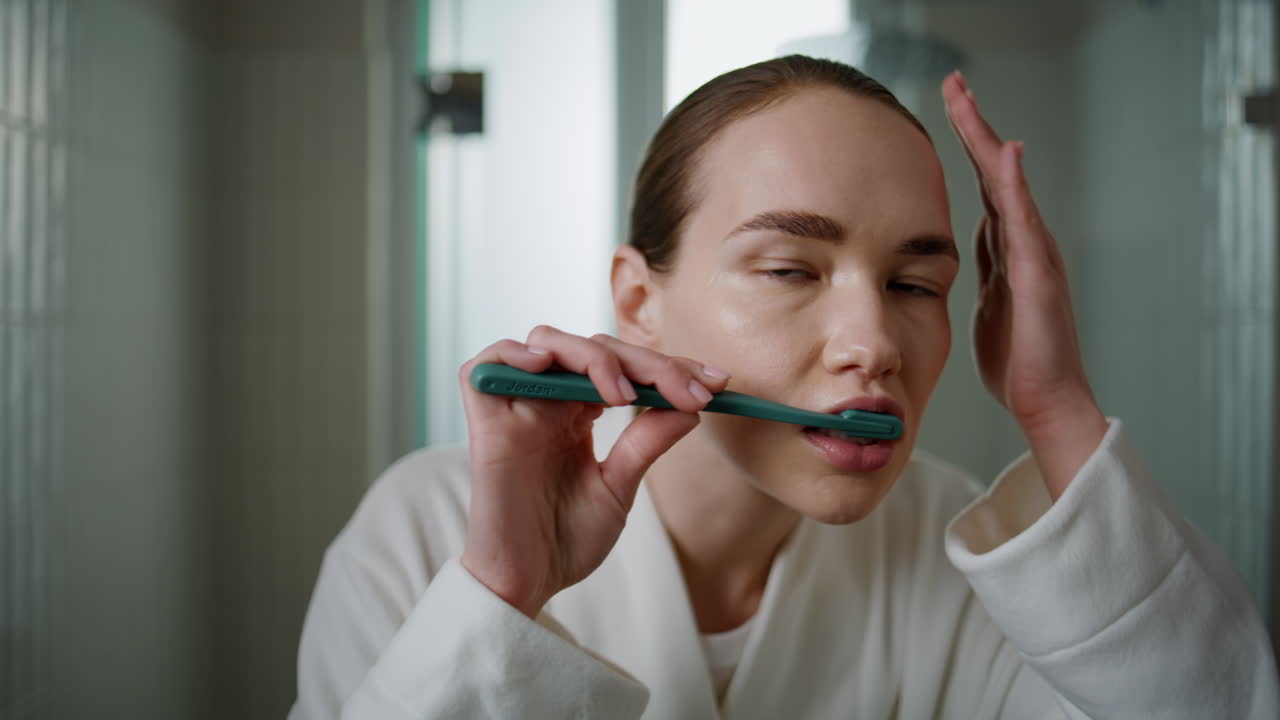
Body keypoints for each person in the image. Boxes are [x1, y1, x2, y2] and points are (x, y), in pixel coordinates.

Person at [289, 56, 1278, 718]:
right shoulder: (424, 533)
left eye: (914, 285)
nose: (873, 344)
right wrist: (501, 599)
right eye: (789, 271)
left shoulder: (966, 565)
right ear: (637, 301)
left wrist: (1055, 411)